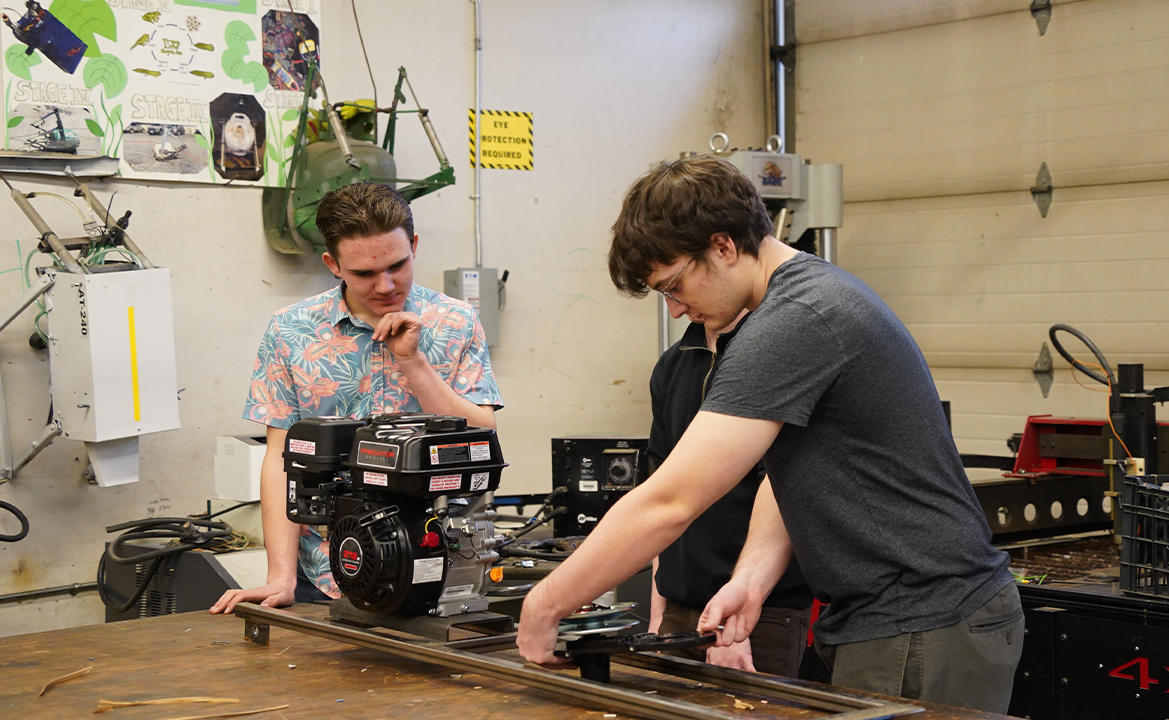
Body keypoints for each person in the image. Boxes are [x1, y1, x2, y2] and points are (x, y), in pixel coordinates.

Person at [518, 155, 1022, 713]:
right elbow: (796, 477)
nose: (675, 306)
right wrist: (752, 580)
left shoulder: (795, 318)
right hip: (896, 617)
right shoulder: (802, 304)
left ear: (724, 246)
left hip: (924, 620)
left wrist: (546, 603)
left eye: (674, 284)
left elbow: (671, 501)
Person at [210, 182, 502, 614]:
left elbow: (481, 435)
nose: (386, 285)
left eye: (397, 265)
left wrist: (414, 364)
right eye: (364, 274)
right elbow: (282, 459)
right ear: (333, 264)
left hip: (438, 562)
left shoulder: (455, 321)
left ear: (414, 246)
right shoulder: (292, 331)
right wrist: (280, 577)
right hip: (327, 571)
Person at [647, 309, 813, 677]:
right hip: (680, 611)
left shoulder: (773, 360)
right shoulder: (672, 364)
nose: (675, 307)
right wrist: (658, 613)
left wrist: (735, 625)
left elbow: (781, 492)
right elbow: (662, 494)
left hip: (759, 616)